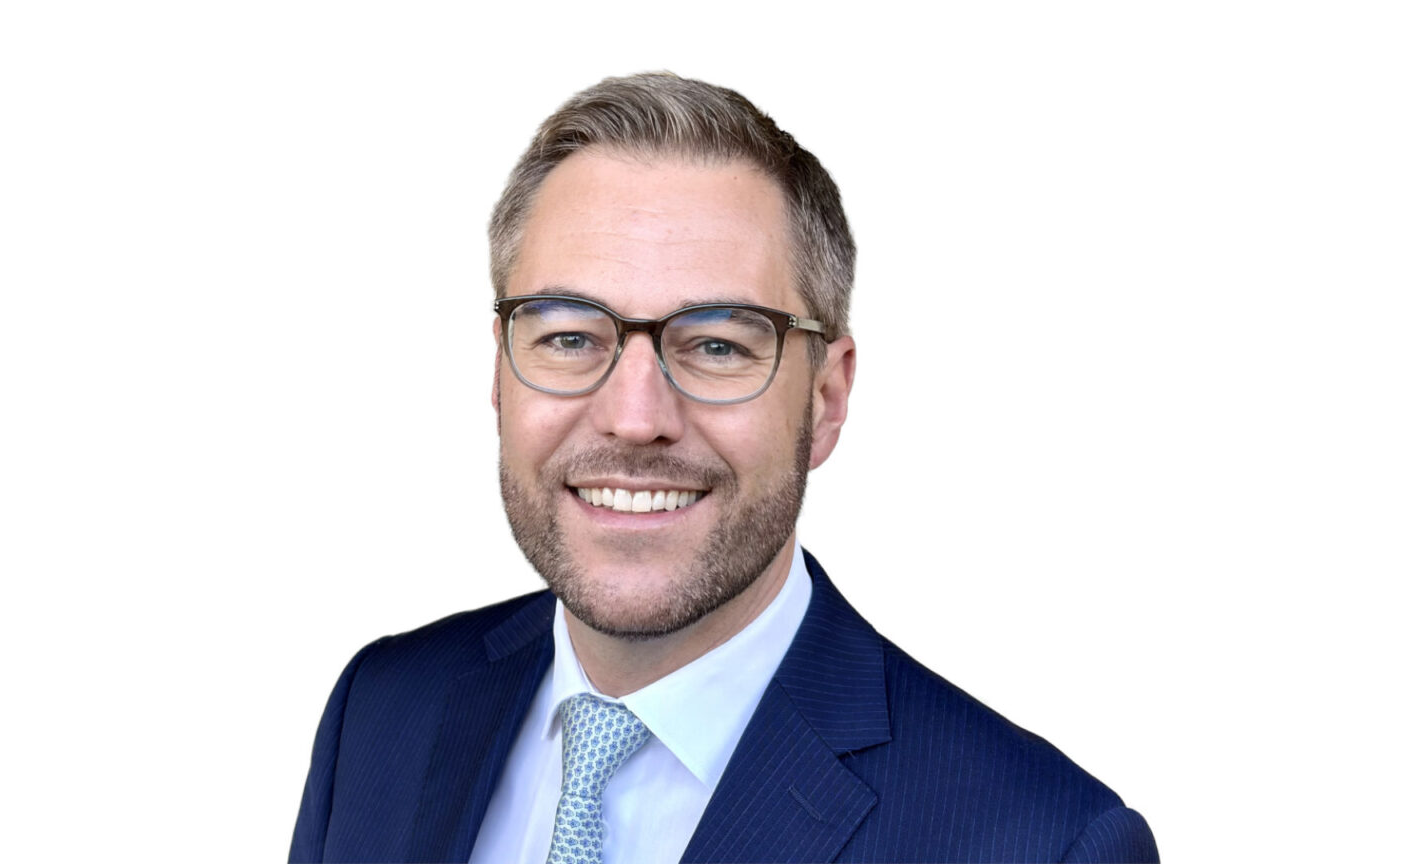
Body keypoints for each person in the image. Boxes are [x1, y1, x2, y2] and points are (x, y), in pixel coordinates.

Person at [289, 72, 1158, 864]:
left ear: (825, 399)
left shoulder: (1042, 844)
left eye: (716, 346)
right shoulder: (381, 712)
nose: (635, 419)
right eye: (569, 337)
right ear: (499, 370)